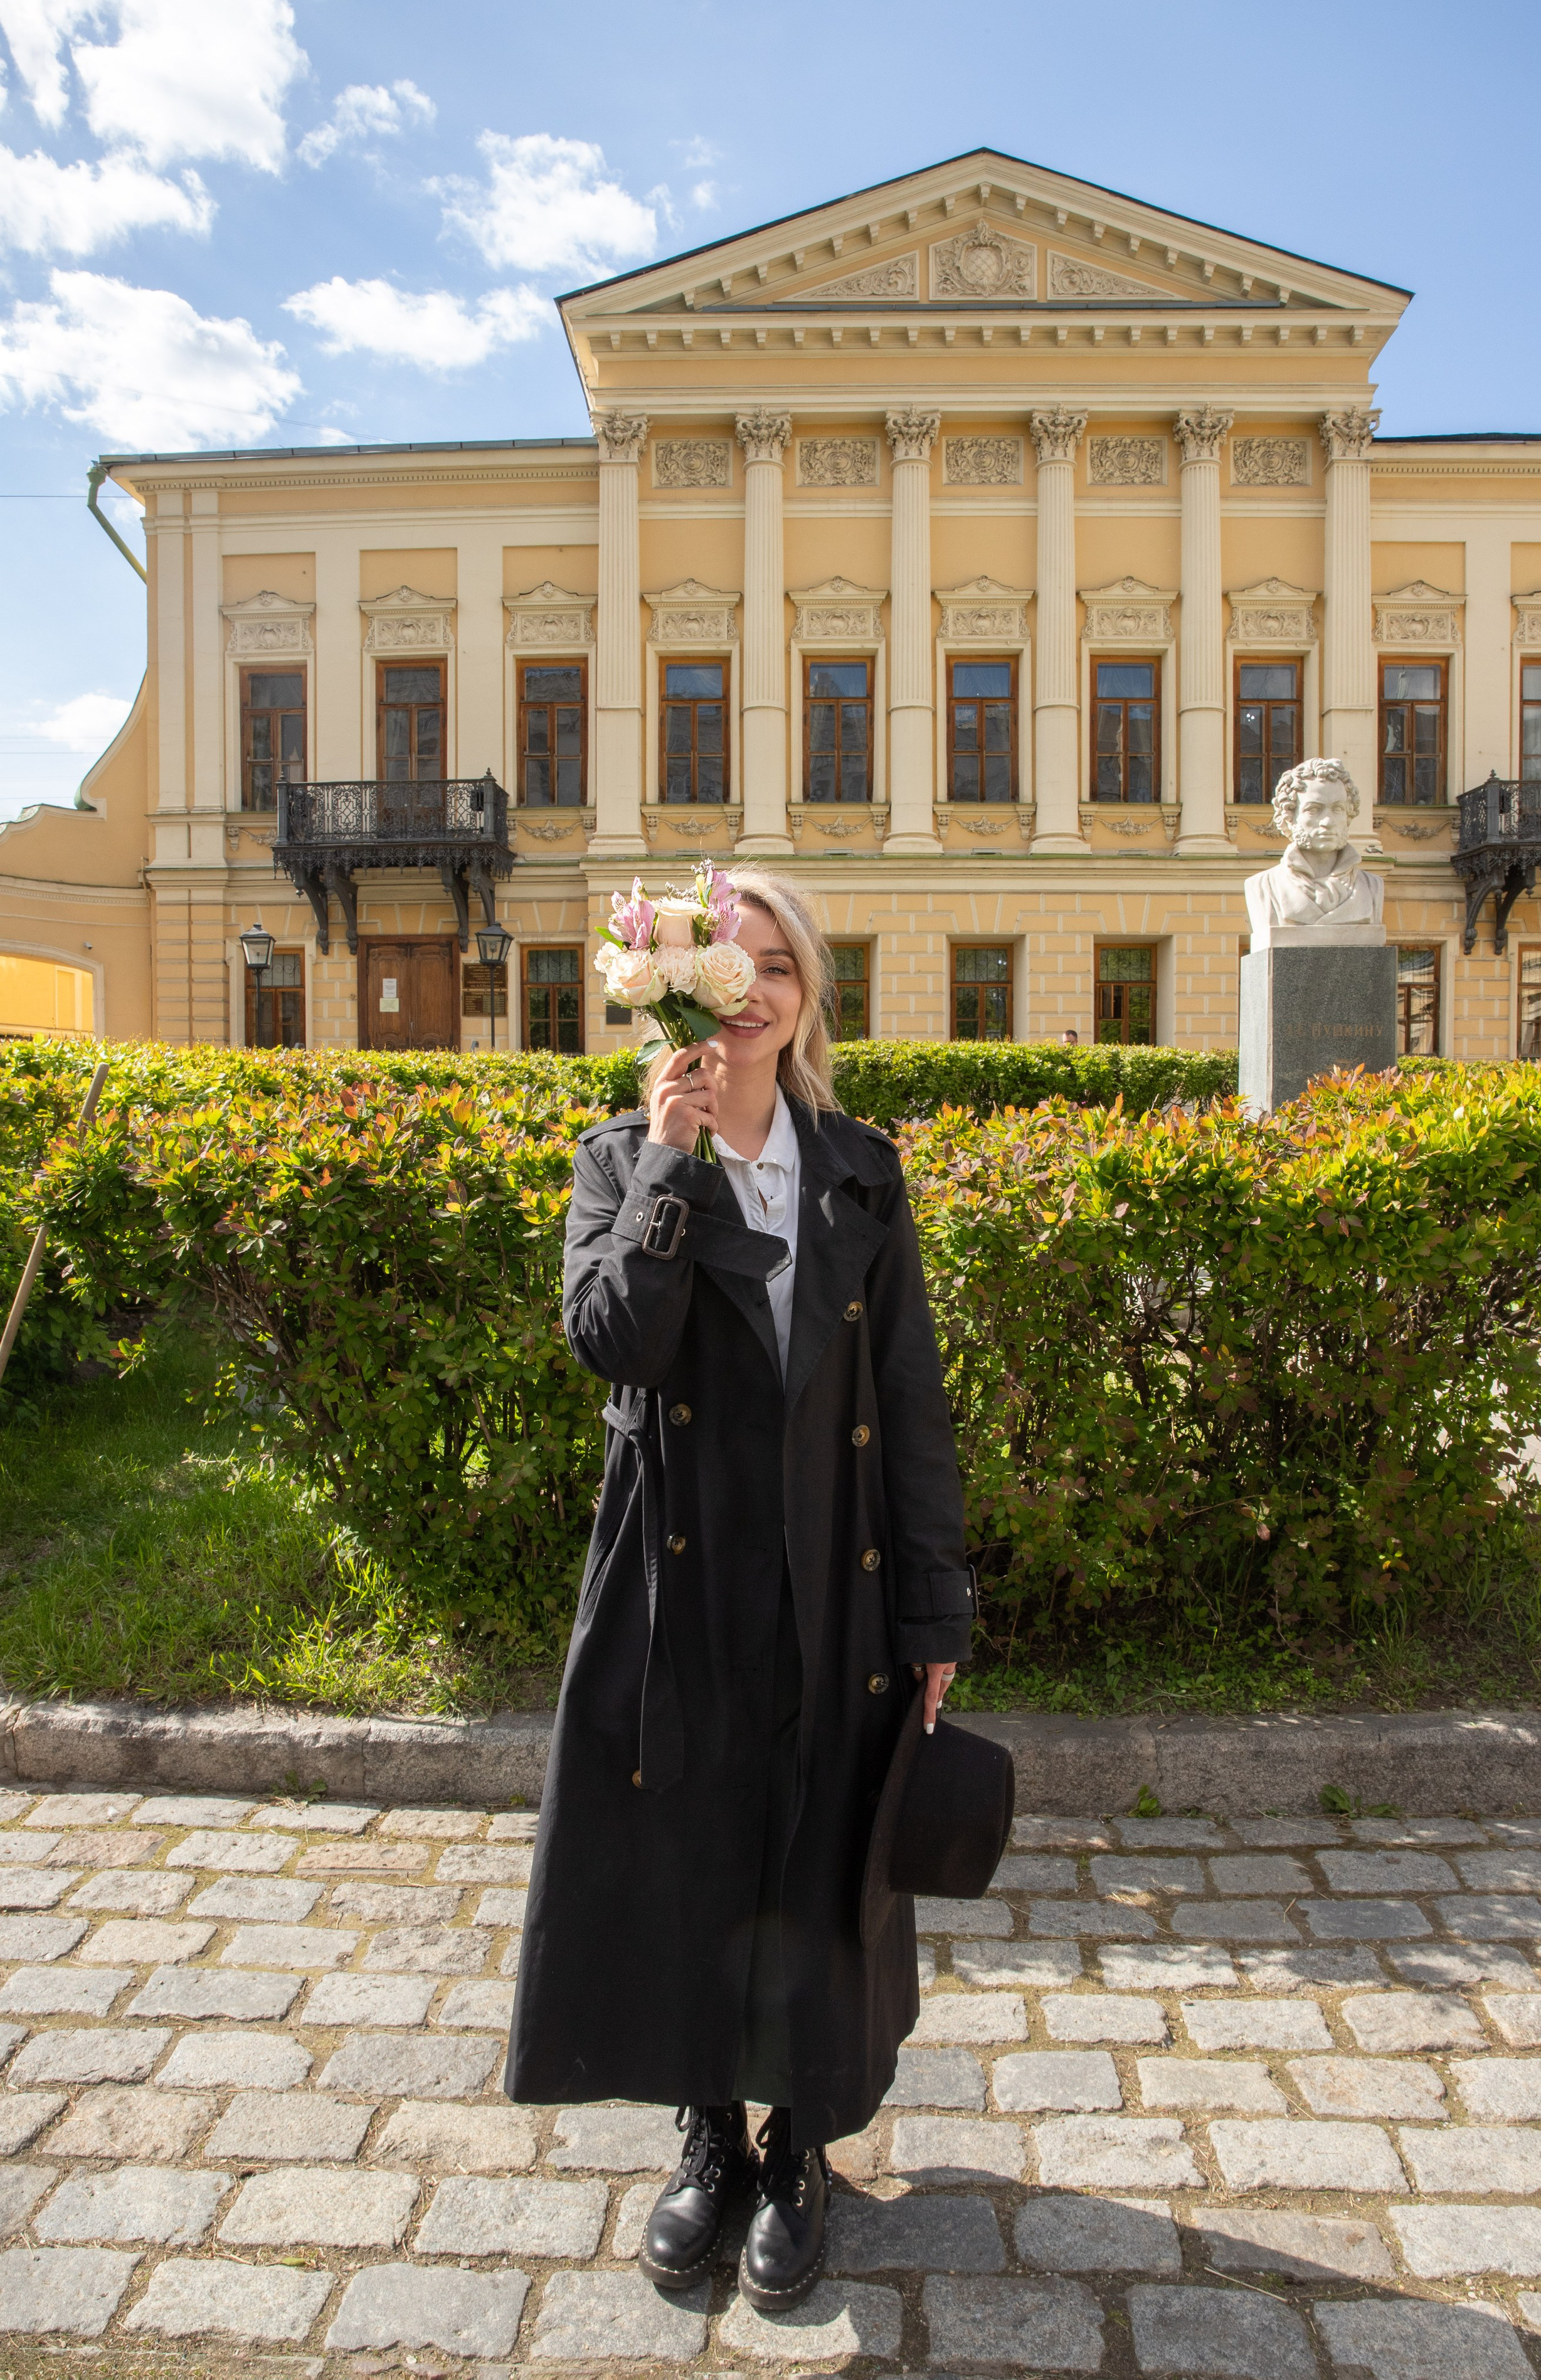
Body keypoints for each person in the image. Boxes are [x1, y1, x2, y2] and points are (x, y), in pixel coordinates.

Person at [505, 864, 974, 2312]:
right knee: (692, 1850)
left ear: (808, 990)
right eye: (734, 962)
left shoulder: (859, 1165)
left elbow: (907, 1397)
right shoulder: (616, 1156)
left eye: (782, 964)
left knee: (814, 1853)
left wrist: (933, 1613)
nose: (757, 988)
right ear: (687, 985)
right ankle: (705, 2129)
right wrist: (663, 1162)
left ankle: (797, 2145)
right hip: (680, 1572)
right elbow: (613, 1345)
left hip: (836, 1569)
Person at [1245, 758, 1384, 938]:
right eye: (1314, 810)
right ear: (1290, 816)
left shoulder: (1372, 887)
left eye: (1338, 809)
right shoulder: (1263, 887)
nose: (1327, 822)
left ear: (1349, 813)